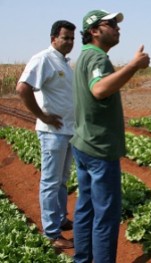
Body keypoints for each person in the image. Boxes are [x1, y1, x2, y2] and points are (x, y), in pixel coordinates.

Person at [71, 10, 150, 263]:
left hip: (83, 143)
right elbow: (100, 89)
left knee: (86, 208)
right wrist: (133, 66)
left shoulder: (83, 55)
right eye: (111, 24)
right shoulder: (98, 58)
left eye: (117, 24)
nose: (118, 28)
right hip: (99, 148)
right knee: (106, 215)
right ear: (94, 31)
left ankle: (82, 259)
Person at [16, 20, 76, 250]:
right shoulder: (43, 59)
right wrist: (42, 115)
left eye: (72, 38)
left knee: (61, 181)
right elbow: (23, 88)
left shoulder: (63, 62)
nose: (69, 42)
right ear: (53, 39)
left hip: (67, 131)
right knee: (51, 182)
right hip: (53, 133)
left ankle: (60, 219)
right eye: (65, 38)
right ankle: (52, 234)